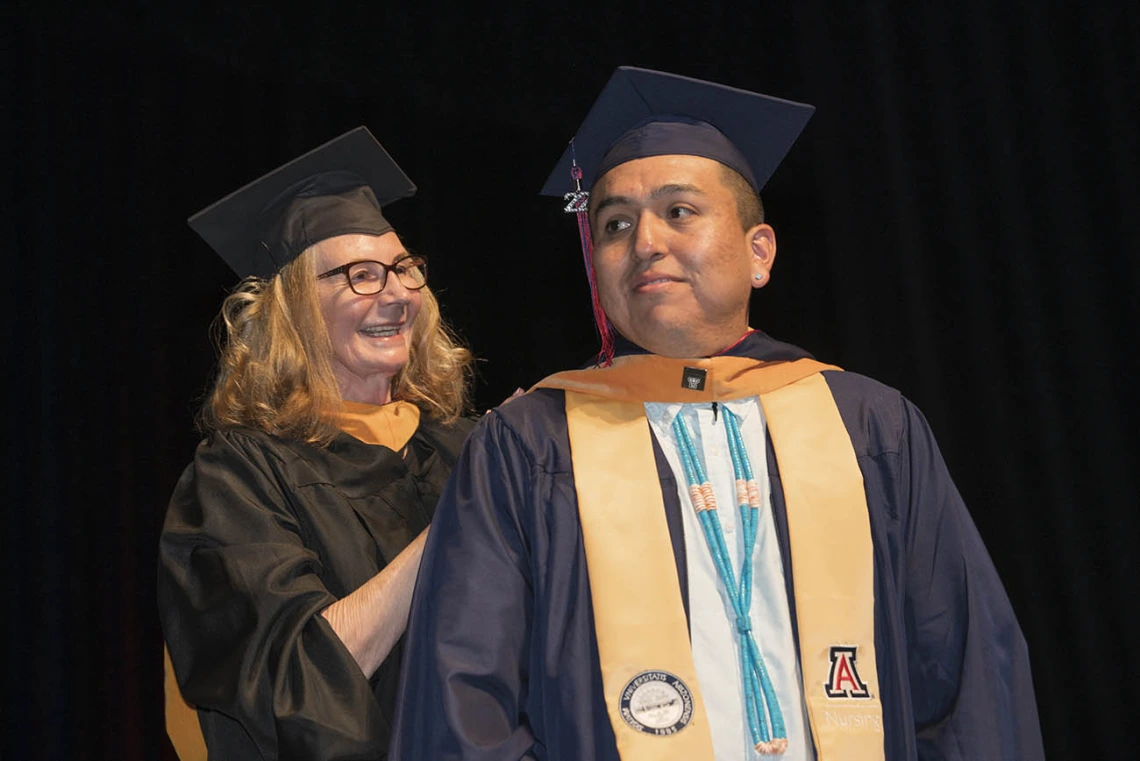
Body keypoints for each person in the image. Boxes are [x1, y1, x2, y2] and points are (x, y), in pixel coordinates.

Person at [390, 68, 1045, 761]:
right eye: (614, 224)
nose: (644, 242)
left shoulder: (870, 427)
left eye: (678, 212)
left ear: (759, 251)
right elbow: (462, 707)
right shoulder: (531, 445)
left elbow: (967, 677)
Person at [158, 127, 474, 760]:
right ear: (293, 311)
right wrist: (468, 516)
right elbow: (296, 681)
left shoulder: (464, 448)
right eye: (359, 276)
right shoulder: (238, 479)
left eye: (403, 269)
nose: (395, 294)